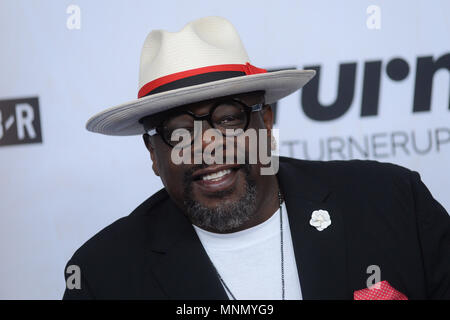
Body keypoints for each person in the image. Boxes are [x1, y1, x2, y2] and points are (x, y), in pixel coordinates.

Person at [63, 16, 450, 300]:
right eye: (178, 129)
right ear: (153, 153)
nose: (208, 145)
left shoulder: (392, 201)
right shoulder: (103, 276)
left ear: (265, 120)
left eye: (228, 118)